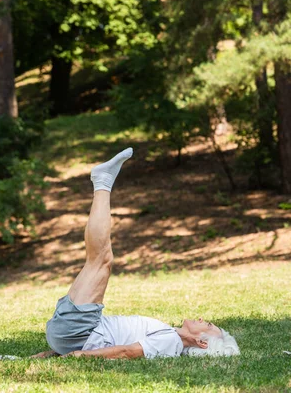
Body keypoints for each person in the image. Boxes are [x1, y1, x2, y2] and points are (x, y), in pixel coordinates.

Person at [33, 148, 240, 359]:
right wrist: (55, 352)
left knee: (102, 260)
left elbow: (127, 352)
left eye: (209, 325)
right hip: (78, 329)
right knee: (96, 259)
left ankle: (102, 182)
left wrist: (78, 356)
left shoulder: (171, 343)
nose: (203, 319)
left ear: (202, 342)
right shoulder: (170, 334)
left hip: (80, 330)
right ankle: (102, 182)